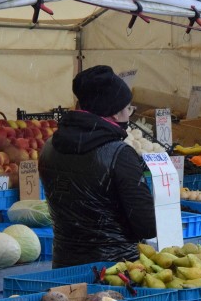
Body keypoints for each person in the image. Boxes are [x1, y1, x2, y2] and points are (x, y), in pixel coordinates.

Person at [39, 65, 157, 268]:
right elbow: (147, 226)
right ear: (114, 112)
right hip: (115, 272)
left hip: (63, 266)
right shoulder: (120, 155)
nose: (129, 115)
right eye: (128, 108)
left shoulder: (49, 147)